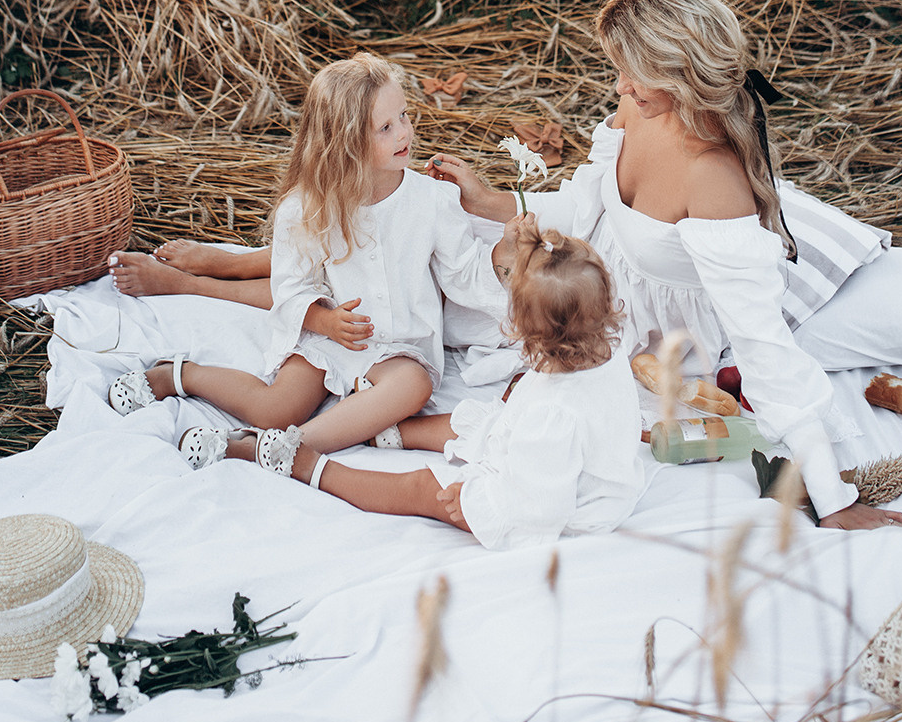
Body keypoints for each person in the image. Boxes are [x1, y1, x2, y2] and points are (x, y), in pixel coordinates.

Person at [431, 0, 902, 531]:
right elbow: (587, 204)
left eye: (630, 74)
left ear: (679, 73)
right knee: (446, 270)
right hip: (636, 271)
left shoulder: (713, 178)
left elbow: (763, 345)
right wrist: (492, 202)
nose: (618, 88)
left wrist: (834, 500)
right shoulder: (641, 108)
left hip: (720, 291)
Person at [107, 53, 509, 464]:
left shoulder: (431, 200)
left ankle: (271, 448)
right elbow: (290, 286)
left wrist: (506, 254)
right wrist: (324, 321)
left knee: (413, 386)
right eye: (385, 127)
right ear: (345, 141)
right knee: (276, 409)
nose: (404, 132)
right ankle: (181, 374)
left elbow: (463, 274)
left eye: (404, 116)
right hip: (326, 333)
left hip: (401, 347)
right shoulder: (307, 209)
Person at [196, 219, 646, 550]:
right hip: (558, 456)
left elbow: (538, 509)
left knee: (419, 487)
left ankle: (311, 466)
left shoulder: (554, 416)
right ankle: (391, 432)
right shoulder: (605, 348)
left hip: (561, 499)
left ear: (532, 336)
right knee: (475, 422)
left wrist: (469, 500)